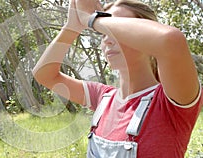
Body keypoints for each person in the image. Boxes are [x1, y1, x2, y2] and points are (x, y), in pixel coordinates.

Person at [32, 0, 203, 157]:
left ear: (146, 38)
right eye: (103, 34)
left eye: (116, 30)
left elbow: (170, 40)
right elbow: (45, 75)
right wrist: (72, 26)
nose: (107, 40)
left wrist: (92, 20)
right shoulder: (102, 97)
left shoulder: (170, 101)